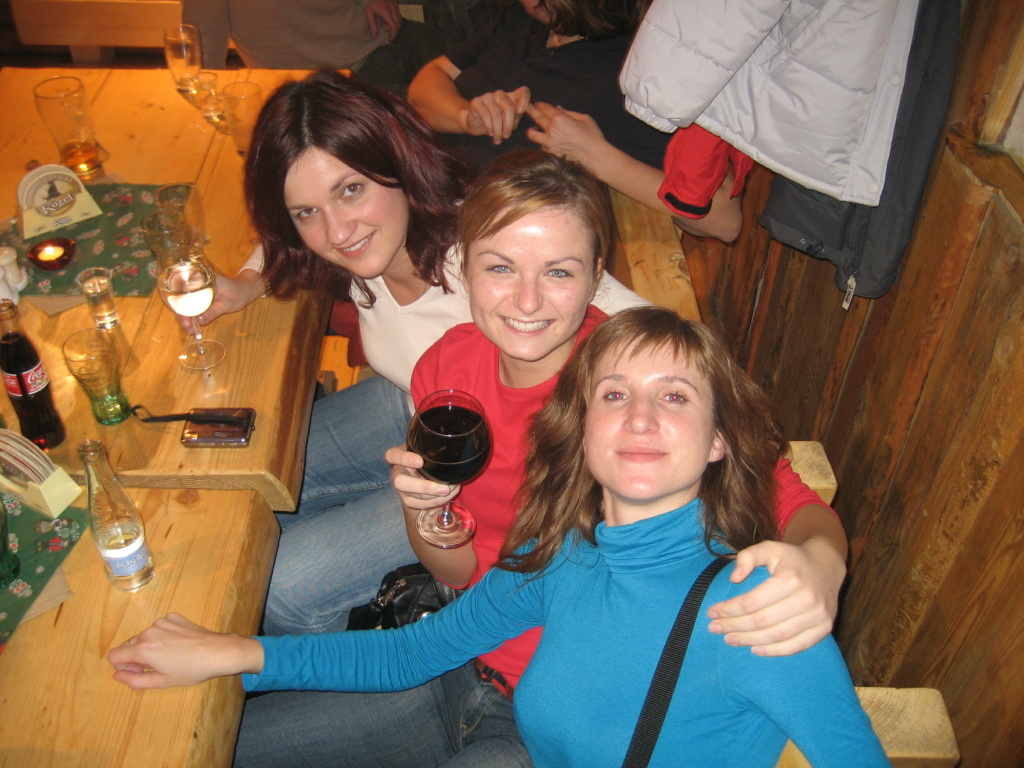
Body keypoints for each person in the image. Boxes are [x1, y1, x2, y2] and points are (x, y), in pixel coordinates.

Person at [108, 306, 885, 768]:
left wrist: (822, 560)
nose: (642, 418)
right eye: (615, 394)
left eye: (675, 396)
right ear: (582, 429)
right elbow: (414, 652)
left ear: (718, 440)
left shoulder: (758, 607)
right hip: (462, 696)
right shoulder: (568, 550)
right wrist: (236, 653)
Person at [197, 71, 642, 634]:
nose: (337, 232)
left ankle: (370, 654)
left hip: (491, 467)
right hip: (416, 405)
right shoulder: (361, 243)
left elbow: (652, 335)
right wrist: (245, 282)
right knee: (256, 470)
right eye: (308, 211)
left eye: (351, 190)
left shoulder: (490, 250)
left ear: (398, 165)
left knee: (283, 584)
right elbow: (284, 241)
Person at [407, 0, 743, 240]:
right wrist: (465, 116)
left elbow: (723, 220)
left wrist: (597, 156)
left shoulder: (636, 75)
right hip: (415, 183)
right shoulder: (524, 21)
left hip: (461, 232)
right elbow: (427, 81)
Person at [182, 0, 452, 96]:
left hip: (389, 34)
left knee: (477, 66)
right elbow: (202, 44)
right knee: (450, 130)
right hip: (337, 79)